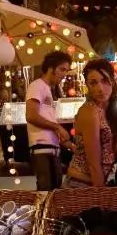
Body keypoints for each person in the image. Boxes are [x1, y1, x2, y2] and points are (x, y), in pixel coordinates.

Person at [66, 60, 117, 187]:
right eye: (93, 83)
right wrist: (102, 197)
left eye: (104, 81)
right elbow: (93, 164)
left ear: (112, 81)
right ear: (87, 85)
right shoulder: (90, 112)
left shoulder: (105, 109)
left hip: (94, 181)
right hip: (81, 185)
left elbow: (105, 147)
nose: (100, 88)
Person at [26, 51, 73, 190]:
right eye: (62, 69)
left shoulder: (47, 89)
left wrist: (69, 144)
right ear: (51, 69)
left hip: (52, 148)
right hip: (41, 149)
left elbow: (46, 119)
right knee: (45, 191)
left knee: (54, 190)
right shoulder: (37, 85)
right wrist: (57, 127)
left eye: (66, 70)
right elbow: (31, 116)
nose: (65, 74)